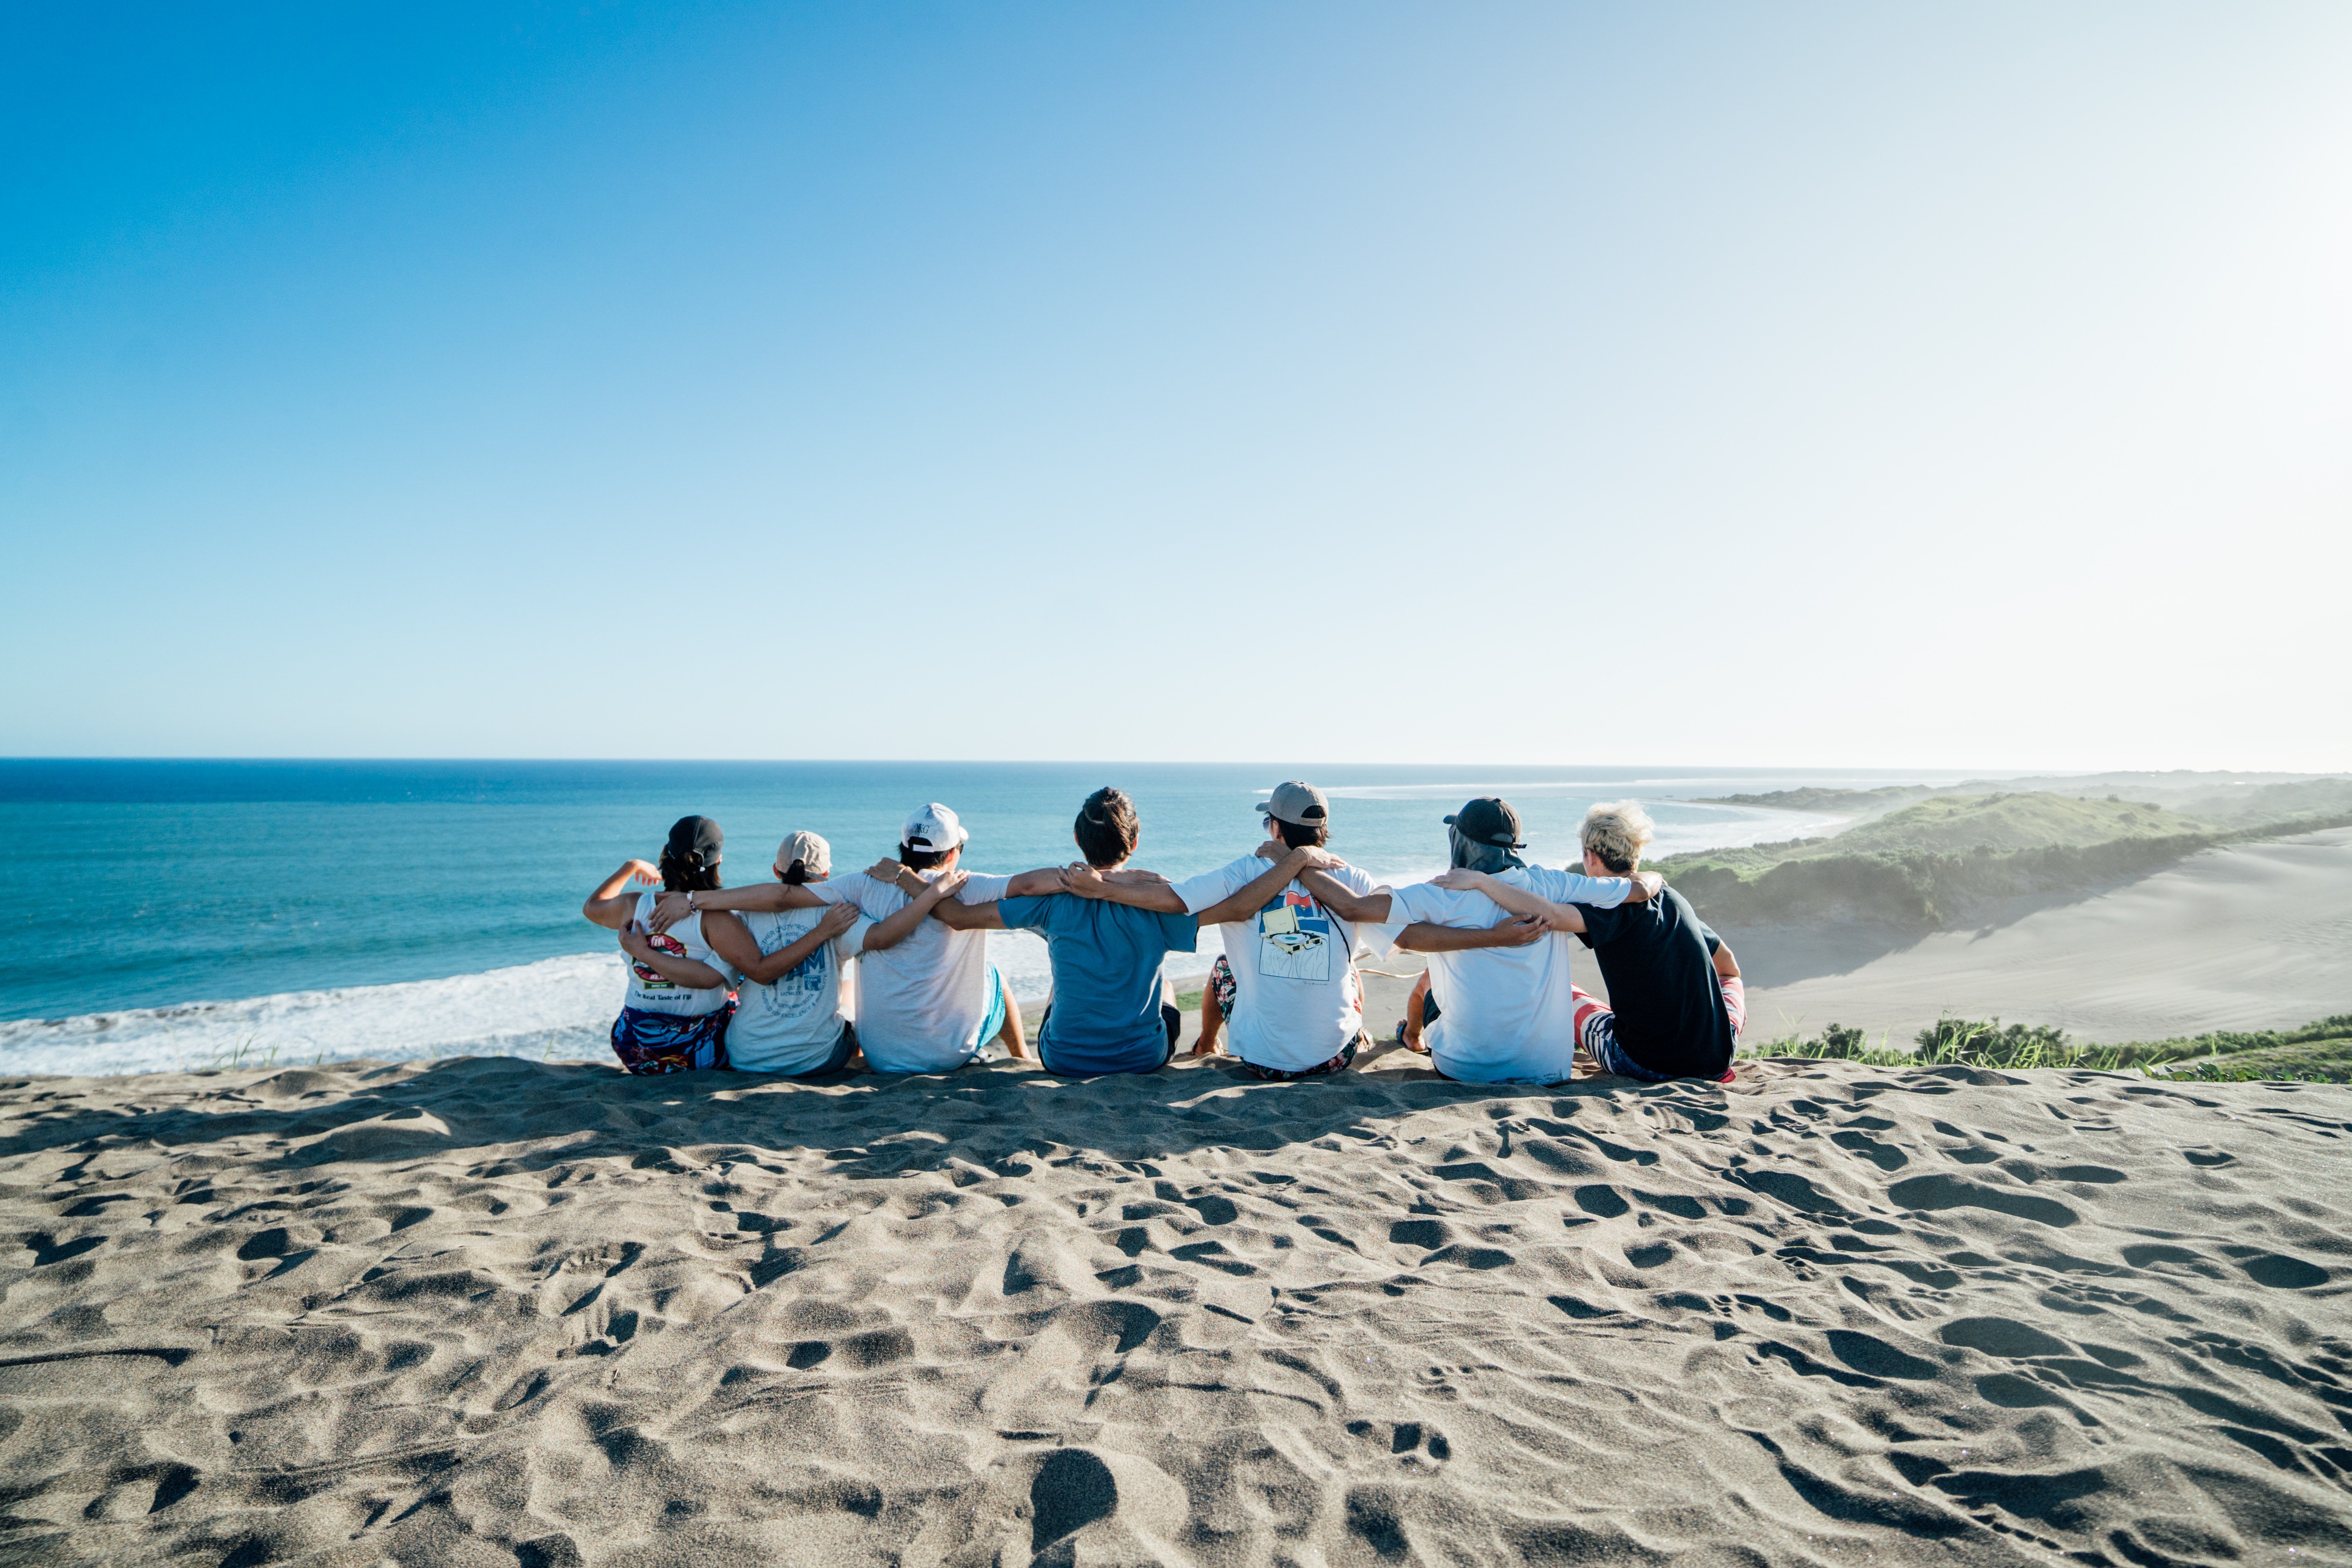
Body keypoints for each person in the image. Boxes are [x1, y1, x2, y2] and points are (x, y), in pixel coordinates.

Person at [1064, 781, 1542, 1080]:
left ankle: (1208, 1043)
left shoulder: (1242, 873)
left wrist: (1100, 887)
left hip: (1257, 1061)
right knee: (1351, 969)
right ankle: (1354, 1035)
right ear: (1322, 833)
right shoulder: (1351, 879)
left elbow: (1173, 901)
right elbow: (1411, 938)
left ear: (1274, 827)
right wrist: (1495, 934)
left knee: (1225, 967)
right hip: (1331, 1061)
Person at [651, 803, 1058, 1074]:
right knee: (994, 977)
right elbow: (1030, 884)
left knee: (848, 988)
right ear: (953, 854)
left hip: (878, 1057)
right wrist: (1092, 879)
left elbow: (781, 898)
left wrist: (693, 901)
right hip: (944, 1056)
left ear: (901, 848)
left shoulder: (860, 886)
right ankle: (1022, 1058)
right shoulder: (971, 885)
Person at [929, 787, 1292, 1075]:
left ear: (1077, 838)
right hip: (1143, 1058)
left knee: (1060, 983)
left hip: (1063, 1059)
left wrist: (913, 883)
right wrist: (1295, 864)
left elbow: (958, 916)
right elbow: (1237, 906)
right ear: (1134, 842)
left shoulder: (1051, 902)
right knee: (1165, 986)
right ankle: (1207, 1045)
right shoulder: (1161, 903)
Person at [1293, 796, 1652, 1085]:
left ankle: (1410, 1036)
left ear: (1460, 841)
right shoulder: (1553, 884)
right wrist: (1655, 878)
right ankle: (1412, 1034)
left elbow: (1351, 908)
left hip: (1467, 1070)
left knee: (1429, 992)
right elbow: (1636, 889)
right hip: (1550, 1069)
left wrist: (1297, 860)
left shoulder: (1440, 893)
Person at [1434, 800, 1743, 1083]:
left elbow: (1549, 915)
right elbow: (1727, 964)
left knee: (1560, 991)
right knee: (1730, 981)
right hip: (1717, 1054)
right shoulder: (1672, 897)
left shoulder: (1608, 908)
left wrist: (1480, 881)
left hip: (1645, 1062)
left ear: (1590, 856)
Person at [631, 830, 965, 1077]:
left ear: (775, 872)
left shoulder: (741, 915)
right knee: (850, 1004)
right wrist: (930, 896)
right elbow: (884, 937)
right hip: (816, 1060)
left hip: (746, 1056)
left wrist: (645, 952)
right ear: (827, 876)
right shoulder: (838, 911)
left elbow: (719, 977)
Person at [579, 815, 740, 1074]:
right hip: (700, 1051)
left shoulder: (633, 905)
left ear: (666, 854)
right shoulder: (718, 918)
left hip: (637, 1047)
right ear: (718, 861)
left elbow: (592, 908)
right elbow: (711, 978)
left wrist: (630, 867)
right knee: (737, 986)